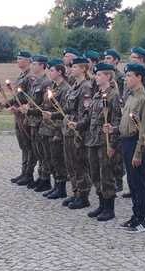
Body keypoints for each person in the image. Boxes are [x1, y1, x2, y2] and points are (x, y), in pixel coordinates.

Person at [78, 62, 122, 221]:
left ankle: (109, 208)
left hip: (105, 142)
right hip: (92, 140)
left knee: (106, 174)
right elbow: (89, 118)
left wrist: (113, 144)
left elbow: (118, 120)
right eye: (95, 74)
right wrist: (77, 125)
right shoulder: (97, 95)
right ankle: (102, 204)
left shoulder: (114, 95)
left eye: (99, 75)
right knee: (95, 173)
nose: (96, 77)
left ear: (108, 76)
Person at [118, 63, 145, 233]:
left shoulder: (144, 99)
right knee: (132, 182)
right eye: (126, 76)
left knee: (139, 184)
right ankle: (135, 216)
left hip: (135, 143)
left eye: (129, 76)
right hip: (126, 141)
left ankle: (141, 220)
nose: (126, 79)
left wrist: (139, 153)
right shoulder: (131, 96)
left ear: (139, 77)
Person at [56, 57, 93, 210]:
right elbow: (66, 108)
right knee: (70, 163)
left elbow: (86, 113)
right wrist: (53, 114)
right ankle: (76, 191)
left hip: (77, 131)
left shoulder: (86, 87)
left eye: (75, 66)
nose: (71, 69)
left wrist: (78, 126)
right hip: (68, 129)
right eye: (71, 66)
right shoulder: (74, 86)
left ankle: (83, 195)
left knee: (79, 163)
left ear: (83, 69)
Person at [19, 54, 53, 191]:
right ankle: (40, 177)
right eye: (31, 64)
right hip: (32, 121)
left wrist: (30, 109)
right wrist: (27, 107)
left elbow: (45, 105)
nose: (32, 66)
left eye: (35, 64)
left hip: (40, 122)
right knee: (37, 151)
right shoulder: (34, 81)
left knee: (43, 153)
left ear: (42, 66)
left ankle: (45, 179)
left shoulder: (46, 83)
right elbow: (32, 101)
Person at [1, 51, 35, 185]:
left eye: (20, 59)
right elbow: (17, 97)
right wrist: (6, 103)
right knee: (23, 145)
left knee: (28, 145)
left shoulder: (30, 77)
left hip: (25, 114)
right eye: (17, 58)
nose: (18, 61)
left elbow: (29, 98)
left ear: (28, 60)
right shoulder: (22, 75)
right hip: (18, 114)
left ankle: (29, 173)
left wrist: (21, 107)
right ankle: (24, 172)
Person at [42, 60, 70, 199]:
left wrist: (52, 115)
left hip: (58, 128)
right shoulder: (52, 87)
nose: (50, 73)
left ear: (60, 72)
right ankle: (56, 185)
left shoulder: (65, 89)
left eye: (52, 70)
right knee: (52, 157)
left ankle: (61, 187)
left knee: (59, 158)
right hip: (49, 127)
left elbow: (65, 111)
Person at [103, 48, 126, 193]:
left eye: (109, 58)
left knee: (117, 152)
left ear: (116, 60)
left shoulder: (121, 77)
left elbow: (122, 95)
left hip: (119, 111)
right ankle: (111, 179)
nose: (106, 60)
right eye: (105, 58)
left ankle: (118, 180)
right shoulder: (106, 75)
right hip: (108, 111)